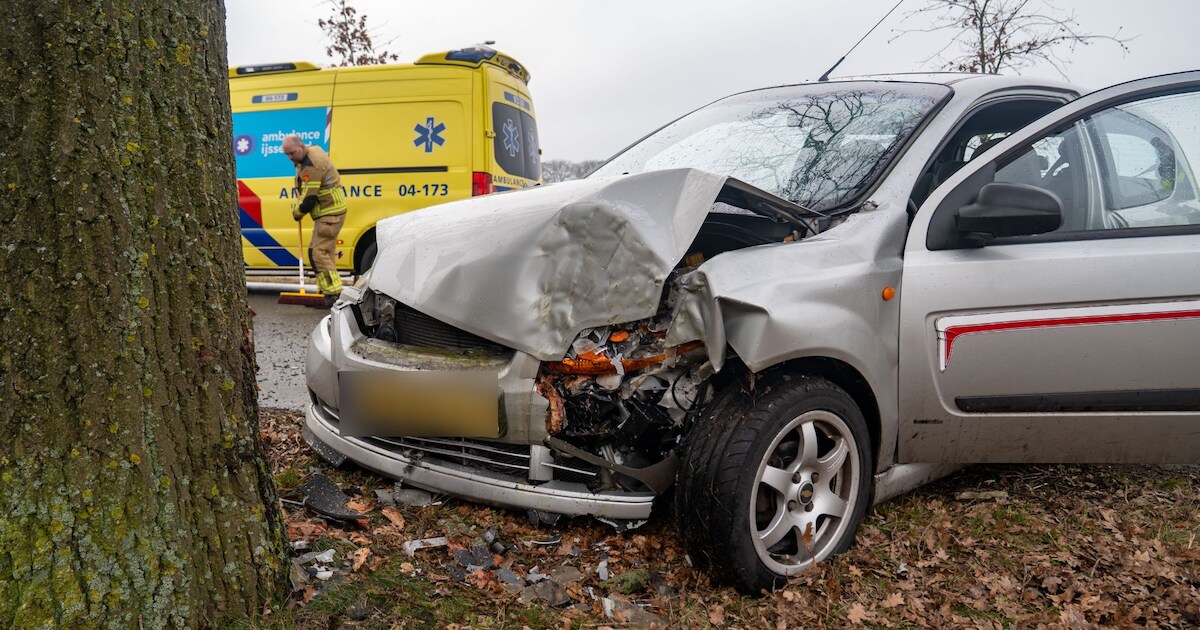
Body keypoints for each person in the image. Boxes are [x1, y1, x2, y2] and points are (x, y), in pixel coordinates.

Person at [282, 134, 348, 305]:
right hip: (332, 210)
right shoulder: (310, 154)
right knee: (326, 253)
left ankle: (333, 293)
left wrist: (297, 212)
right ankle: (327, 290)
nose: (290, 157)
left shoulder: (312, 165)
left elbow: (309, 199)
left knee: (317, 253)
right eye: (286, 154)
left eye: (292, 153)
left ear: (301, 147)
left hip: (330, 212)